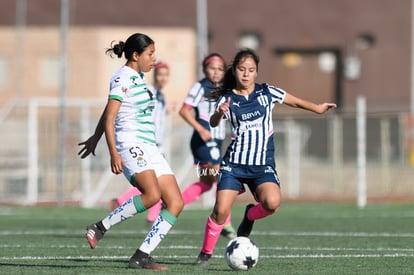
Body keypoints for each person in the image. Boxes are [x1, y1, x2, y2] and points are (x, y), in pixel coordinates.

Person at [195, 49, 336, 265]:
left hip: (262, 165)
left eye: (251, 70)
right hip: (234, 165)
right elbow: (213, 122)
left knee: (272, 203)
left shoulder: (266, 92)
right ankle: (205, 254)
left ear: (256, 73)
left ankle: (250, 215)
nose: (246, 74)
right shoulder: (227, 98)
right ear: (235, 71)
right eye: (242, 69)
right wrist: (219, 113)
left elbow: (293, 101)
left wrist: (317, 108)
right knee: (220, 211)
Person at [82, 33, 183, 271]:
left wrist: (94, 138)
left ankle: (141, 256)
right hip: (129, 145)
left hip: (151, 148)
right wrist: (113, 152)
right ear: (135, 55)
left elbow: (109, 110)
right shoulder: (121, 78)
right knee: (152, 195)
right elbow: (111, 117)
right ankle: (100, 227)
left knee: (176, 202)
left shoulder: (138, 77)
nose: (154, 59)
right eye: (150, 54)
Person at [178, 53, 236, 239]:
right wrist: (200, 129)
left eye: (220, 69)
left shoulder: (226, 88)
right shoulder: (200, 87)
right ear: (205, 69)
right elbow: (184, 110)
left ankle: (173, 204)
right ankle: (225, 224)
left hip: (216, 142)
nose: (216, 72)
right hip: (204, 141)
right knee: (222, 178)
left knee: (206, 182)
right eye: (212, 68)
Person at [107, 61, 171, 227]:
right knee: (152, 185)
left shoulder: (161, 96)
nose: (163, 78)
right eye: (160, 74)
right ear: (155, 75)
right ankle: (145, 214)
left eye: (166, 75)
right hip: (146, 143)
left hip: (154, 142)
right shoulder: (147, 90)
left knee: (156, 184)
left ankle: (145, 213)